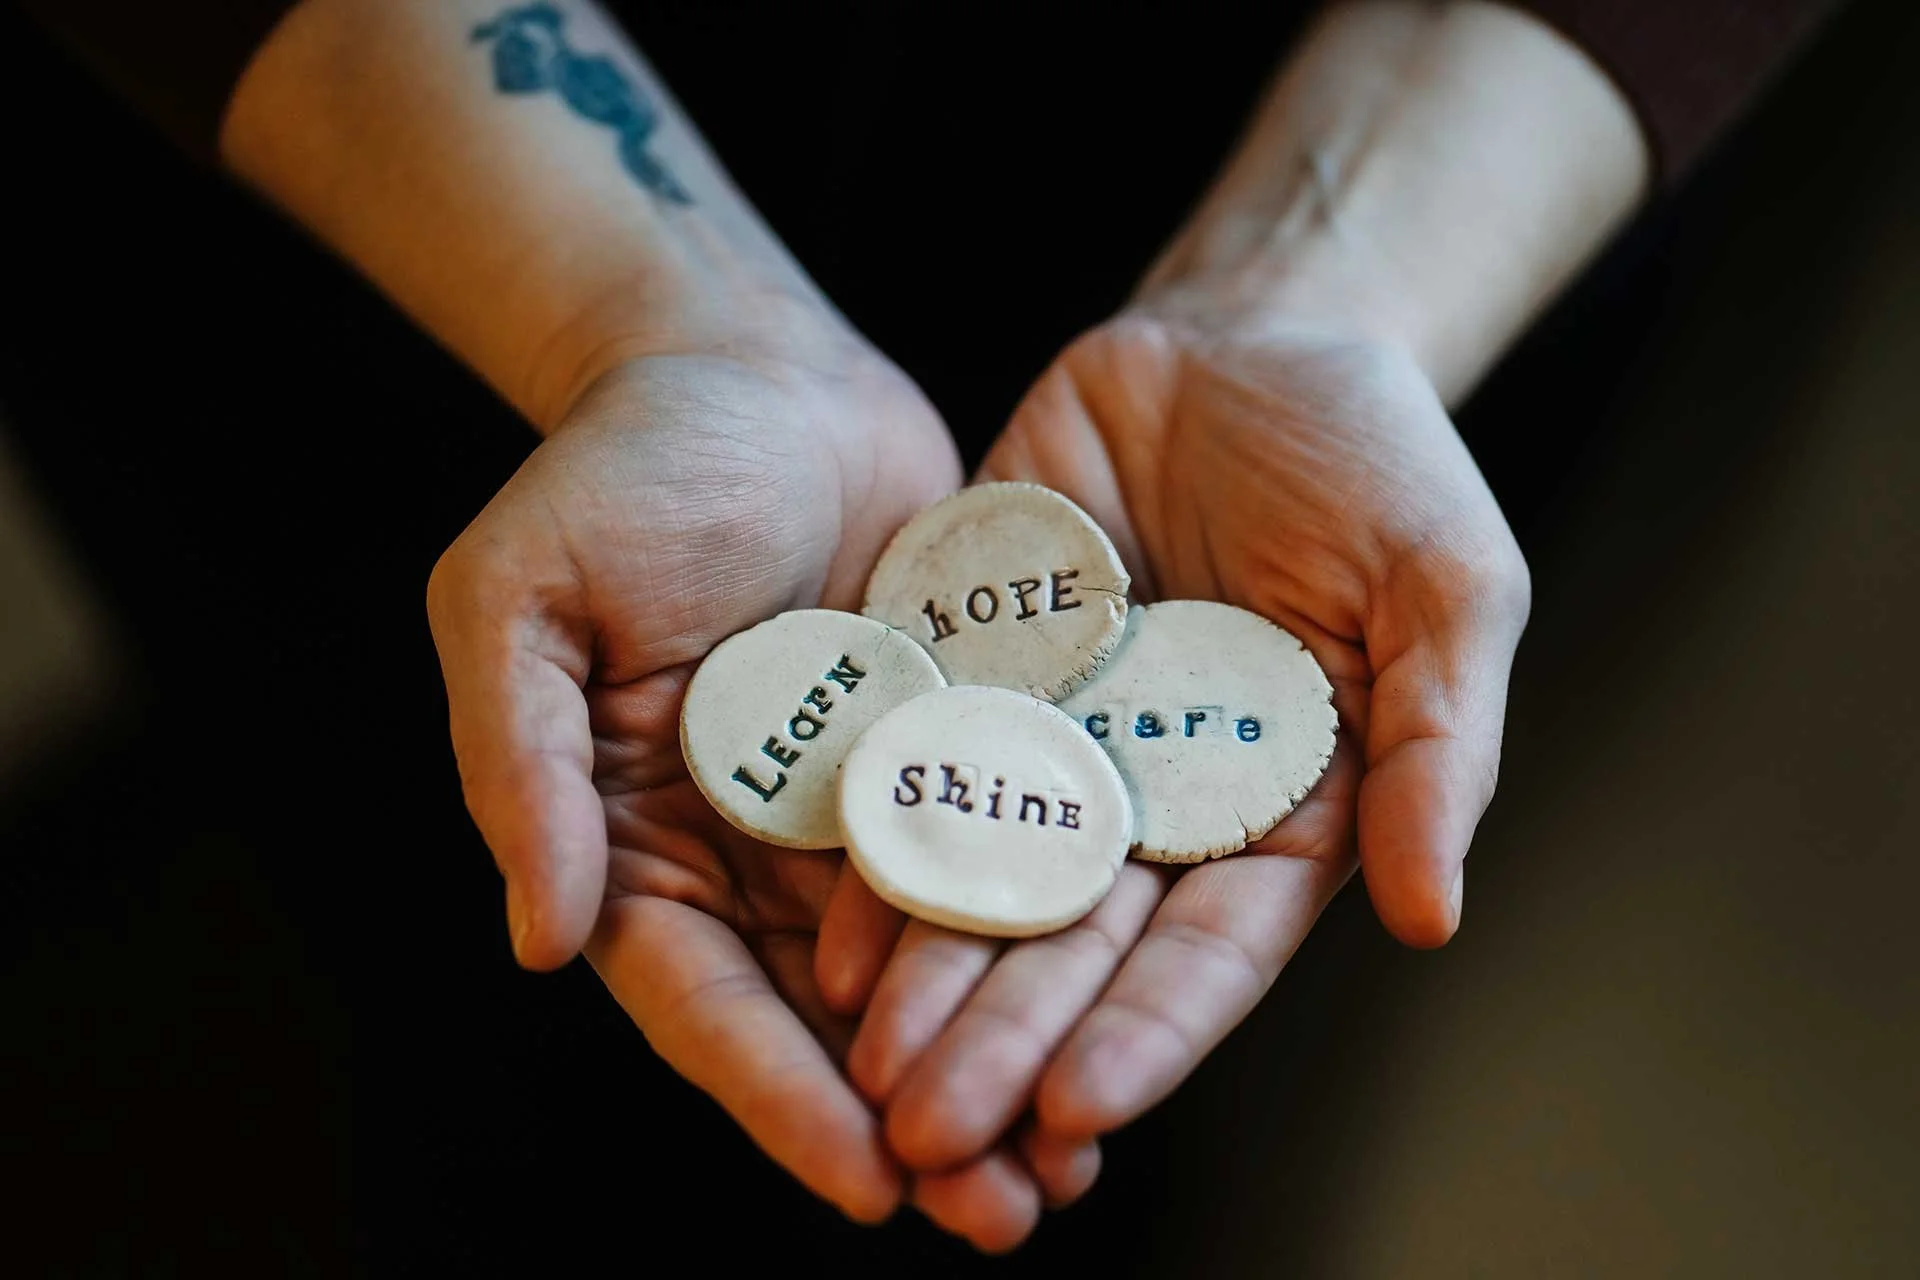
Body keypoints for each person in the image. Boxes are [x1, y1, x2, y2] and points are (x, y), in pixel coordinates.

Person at [20, 0, 1839, 1253]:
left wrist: (1331, 293)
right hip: (372, 189)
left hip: (1438, 170)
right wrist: (630, 313)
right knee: (479, 1004)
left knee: (1153, 1090)